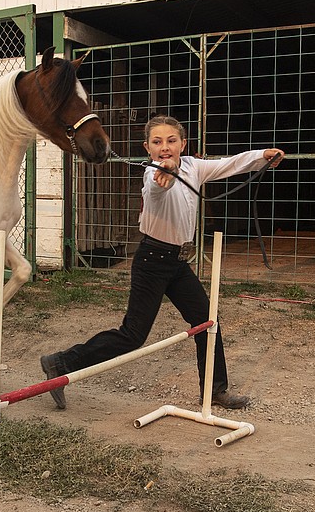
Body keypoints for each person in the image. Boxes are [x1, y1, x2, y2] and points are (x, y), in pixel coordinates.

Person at [39, 115, 285, 411]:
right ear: (147, 147)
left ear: (183, 143)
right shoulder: (152, 174)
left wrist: (262, 156)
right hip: (152, 261)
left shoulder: (194, 167)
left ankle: (215, 391)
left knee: (208, 322)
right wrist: (164, 173)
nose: (165, 147)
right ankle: (61, 361)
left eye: (171, 141)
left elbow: (228, 164)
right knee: (132, 335)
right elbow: (157, 188)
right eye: (157, 142)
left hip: (178, 263)